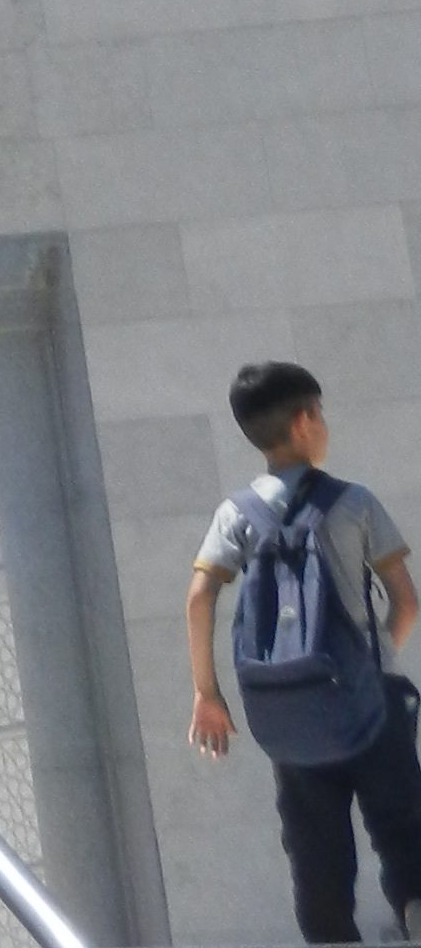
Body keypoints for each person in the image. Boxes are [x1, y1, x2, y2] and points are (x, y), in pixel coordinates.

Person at [190, 356, 421, 943]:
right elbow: (406, 602)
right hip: (372, 706)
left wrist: (207, 694)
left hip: (292, 712)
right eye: (320, 414)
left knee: (316, 857)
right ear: (303, 421)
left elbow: (199, 596)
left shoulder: (235, 514)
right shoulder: (354, 502)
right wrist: (372, 666)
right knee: (406, 833)